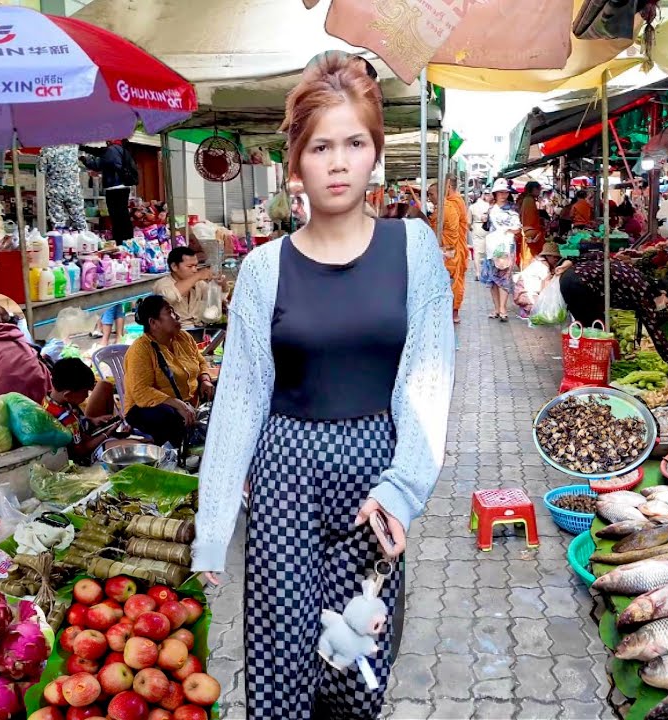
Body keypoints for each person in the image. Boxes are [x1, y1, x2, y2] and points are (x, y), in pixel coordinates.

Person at [190, 51, 454, 719]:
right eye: (320, 147)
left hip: (375, 480)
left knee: (355, 658)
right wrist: (214, 524)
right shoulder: (262, 269)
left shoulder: (415, 248)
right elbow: (242, 397)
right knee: (282, 662)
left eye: (354, 144)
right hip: (284, 475)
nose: (338, 162)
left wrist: (404, 486)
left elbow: (428, 377)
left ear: (376, 153)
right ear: (296, 162)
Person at [557, 250, 668, 371]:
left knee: (595, 328)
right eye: (667, 303)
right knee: (596, 331)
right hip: (578, 285)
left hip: (570, 277)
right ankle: (591, 369)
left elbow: (601, 255)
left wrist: (568, 263)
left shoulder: (641, 280)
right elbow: (656, 334)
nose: (664, 307)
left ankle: (591, 366)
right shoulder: (643, 293)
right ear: (663, 293)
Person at [123, 295, 214, 449]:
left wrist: (205, 378)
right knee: (167, 415)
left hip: (185, 402)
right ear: (153, 323)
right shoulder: (140, 350)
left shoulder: (183, 338)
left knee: (220, 390)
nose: (176, 316)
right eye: (170, 312)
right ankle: (178, 453)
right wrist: (177, 404)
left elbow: (200, 361)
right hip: (146, 408)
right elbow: (141, 392)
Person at [44, 358, 127, 466]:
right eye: (85, 392)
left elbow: (76, 420)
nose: (87, 396)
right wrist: (107, 434)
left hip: (85, 433)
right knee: (139, 444)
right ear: (68, 395)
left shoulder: (50, 398)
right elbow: (82, 450)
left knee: (104, 385)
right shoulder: (66, 418)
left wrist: (92, 420)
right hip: (88, 455)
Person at [428, 178, 468, 323]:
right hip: (452, 249)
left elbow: (433, 230)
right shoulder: (449, 205)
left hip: (450, 250)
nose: (429, 198)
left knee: (451, 282)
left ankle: (452, 312)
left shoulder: (448, 206)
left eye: (431, 194)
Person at [81, 140, 138, 242]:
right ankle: (127, 239)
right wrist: (85, 148)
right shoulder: (122, 150)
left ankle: (120, 240)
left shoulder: (111, 150)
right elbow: (101, 153)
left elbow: (99, 164)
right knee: (123, 214)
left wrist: (85, 160)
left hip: (114, 187)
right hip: (123, 187)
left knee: (116, 216)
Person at [481, 180, 520, 321]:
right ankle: (496, 308)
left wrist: (506, 230)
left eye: (505, 192)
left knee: (504, 276)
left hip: (506, 246)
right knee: (492, 278)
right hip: (492, 247)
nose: (503, 195)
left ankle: (503, 308)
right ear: (495, 193)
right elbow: (487, 227)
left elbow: (517, 228)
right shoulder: (491, 210)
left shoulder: (512, 209)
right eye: (501, 192)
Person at [155, 246, 218, 328]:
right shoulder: (162, 284)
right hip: (175, 334)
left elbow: (215, 297)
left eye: (195, 266)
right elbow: (169, 297)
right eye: (190, 266)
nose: (194, 270)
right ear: (174, 266)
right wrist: (198, 276)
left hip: (197, 329)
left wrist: (221, 284)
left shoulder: (198, 283)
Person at [40, 145, 88, 231]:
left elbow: (41, 169)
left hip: (55, 191)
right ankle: (83, 240)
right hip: (74, 190)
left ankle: (60, 241)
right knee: (79, 220)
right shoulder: (74, 147)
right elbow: (83, 160)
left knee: (58, 222)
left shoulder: (46, 149)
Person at [518, 180, 545, 264]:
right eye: (539, 189)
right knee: (530, 258)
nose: (540, 191)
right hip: (530, 233)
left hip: (529, 232)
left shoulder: (528, 199)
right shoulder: (529, 200)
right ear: (533, 189)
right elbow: (529, 220)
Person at [469, 190, 492, 280]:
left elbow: (468, 221)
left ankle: (478, 273)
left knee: (477, 252)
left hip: (476, 227)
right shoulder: (489, 206)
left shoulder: (472, 207)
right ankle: (487, 272)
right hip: (487, 228)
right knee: (488, 251)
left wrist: (471, 228)